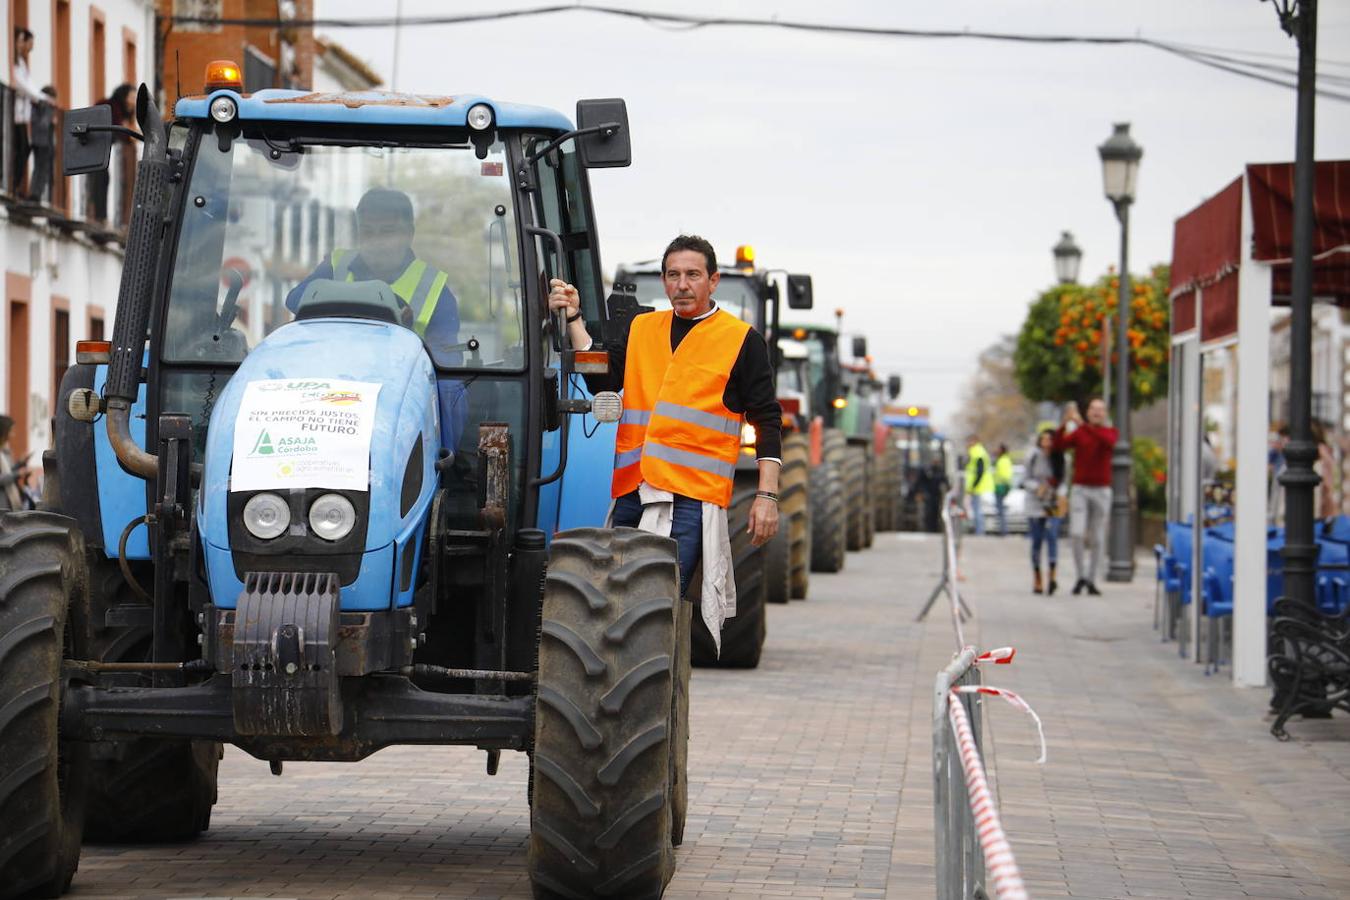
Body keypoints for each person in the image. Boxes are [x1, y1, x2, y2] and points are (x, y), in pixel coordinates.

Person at [549, 234, 782, 640]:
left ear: (713, 281)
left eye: (693, 274)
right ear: (664, 280)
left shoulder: (741, 341)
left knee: (654, 603)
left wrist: (767, 496)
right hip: (632, 491)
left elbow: (767, 420)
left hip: (691, 498)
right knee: (614, 600)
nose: (682, 284)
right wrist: (573, 319)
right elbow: (603, 377)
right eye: (673, 275)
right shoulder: (642, 328)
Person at [285, 187, 465, 450]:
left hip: (400, 387)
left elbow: (447, 359)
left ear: (408, 234)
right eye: (368, 232)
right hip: (330, 378)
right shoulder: (336, 265)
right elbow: (296, 301)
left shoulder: (434, 288)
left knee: (450, 388)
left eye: (387, 232)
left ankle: (449, 465)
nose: (376, 241)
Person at [1054, 398, 1117, 595]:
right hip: (1081, 488)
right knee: (1077, 533)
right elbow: (1059, 445)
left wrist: (1082, 425)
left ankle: (1091, 578)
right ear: (1088, 412)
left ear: (1105, 413)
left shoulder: (1110, 432)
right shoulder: (1080, 432)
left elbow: (1107, 443)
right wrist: (1065, 423)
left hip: (1102, 490)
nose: (1097, 412)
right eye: (1093, 409)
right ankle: (1080, 575)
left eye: (1101, 409)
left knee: (1098, 538)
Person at [1023, 428, 1065, 595]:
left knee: (1053, 537)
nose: (1046, 442)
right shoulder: (1032, 456)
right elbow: (1025, 480)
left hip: (1053, 504)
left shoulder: (1061, 458)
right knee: (1037, 541)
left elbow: (1064, 481)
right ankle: (1037, 577)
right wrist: (1037, 488)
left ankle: (1052, 576)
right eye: (1044, 439)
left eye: (1050, 439)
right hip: (1035, 504)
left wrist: (1058, 494)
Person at [88, 84, 136, 222]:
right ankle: (98, 215)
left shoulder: (117, 109)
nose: (134, 101)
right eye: (132, 97)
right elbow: (121, 132)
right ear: (124, 97)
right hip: (94, 146)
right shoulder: (112, 107)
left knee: (102, 179)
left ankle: (100, 215)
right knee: (99, 180)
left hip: (99, 148)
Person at [10, 28, 43, 197]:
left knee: (23, 149)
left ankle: (14, 184)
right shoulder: (14, 63)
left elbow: (30, 85)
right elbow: (20, 84)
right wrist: (39, 98)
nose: (27, 46)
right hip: (14, 115)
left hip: (21, 116)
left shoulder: (21, 63)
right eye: (23, 41)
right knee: (20, 148)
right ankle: (12, 184)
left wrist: (41, 97)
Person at [27, 85, 57, 203]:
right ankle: (36, 194)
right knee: (43, 169)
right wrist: (53, 121)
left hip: (36, 140)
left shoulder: (36, 104)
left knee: (38, 168)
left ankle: (35, 192)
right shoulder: (47, 107)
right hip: (44, 142)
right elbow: (44, 123)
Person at [0, 415, 31, 512]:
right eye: (10, 431)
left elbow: (7, 471)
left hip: (9, 502)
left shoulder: (4, 450)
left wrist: (20, 464)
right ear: (3, 432)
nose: (12, 434)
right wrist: (18, 473)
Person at [964, 435, 993, 535]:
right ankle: (979, 531)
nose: (967, 444)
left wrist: (973, 486)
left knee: (977, 510)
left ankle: (979, 532)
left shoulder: (977, 452)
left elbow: (979, 471)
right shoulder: (977, 451)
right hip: (977, 486)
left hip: (978, 486)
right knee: (976, 509)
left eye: (969, 441)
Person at [992, 442, 1013, 537]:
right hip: (1000, 486)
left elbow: (1005, 475)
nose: (996, 450)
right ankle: (1002, 530)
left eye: (998, 449)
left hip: (1001, 487)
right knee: (1000, 510)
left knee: (1000, 510)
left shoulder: (1003, 460)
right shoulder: (1003, 459)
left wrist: (1005, 486)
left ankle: (1003, 531)